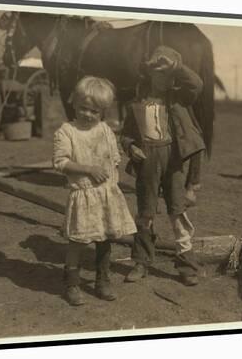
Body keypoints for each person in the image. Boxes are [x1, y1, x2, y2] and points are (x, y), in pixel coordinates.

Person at [121, 45, 206, 286]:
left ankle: (187, 264)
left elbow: (197, 85)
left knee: (177, 211)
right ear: (149, 74)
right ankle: (141, 261)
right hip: (147, 159)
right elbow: (126, 134)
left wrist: (178, 67)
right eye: (158, 73)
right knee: (146, 212)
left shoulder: (179, 98)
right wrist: (130, 147)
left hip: (173, 159)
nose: (163, 78)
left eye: (168, 74)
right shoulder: (136, 104)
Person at [53, 76, 137, 306]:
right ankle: (71, 283)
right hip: (83, 194)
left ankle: (103, 280)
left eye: (94, 111)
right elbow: (60, 162)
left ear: (102, 112)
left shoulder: (105, 130)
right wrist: (88, 169)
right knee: (77, 241)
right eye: (83, 108)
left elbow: (114, 157)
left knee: (105, 239)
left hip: (106, 195)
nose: (88, 114)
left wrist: (113, 173)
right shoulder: (67, 131)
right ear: (74, 103)